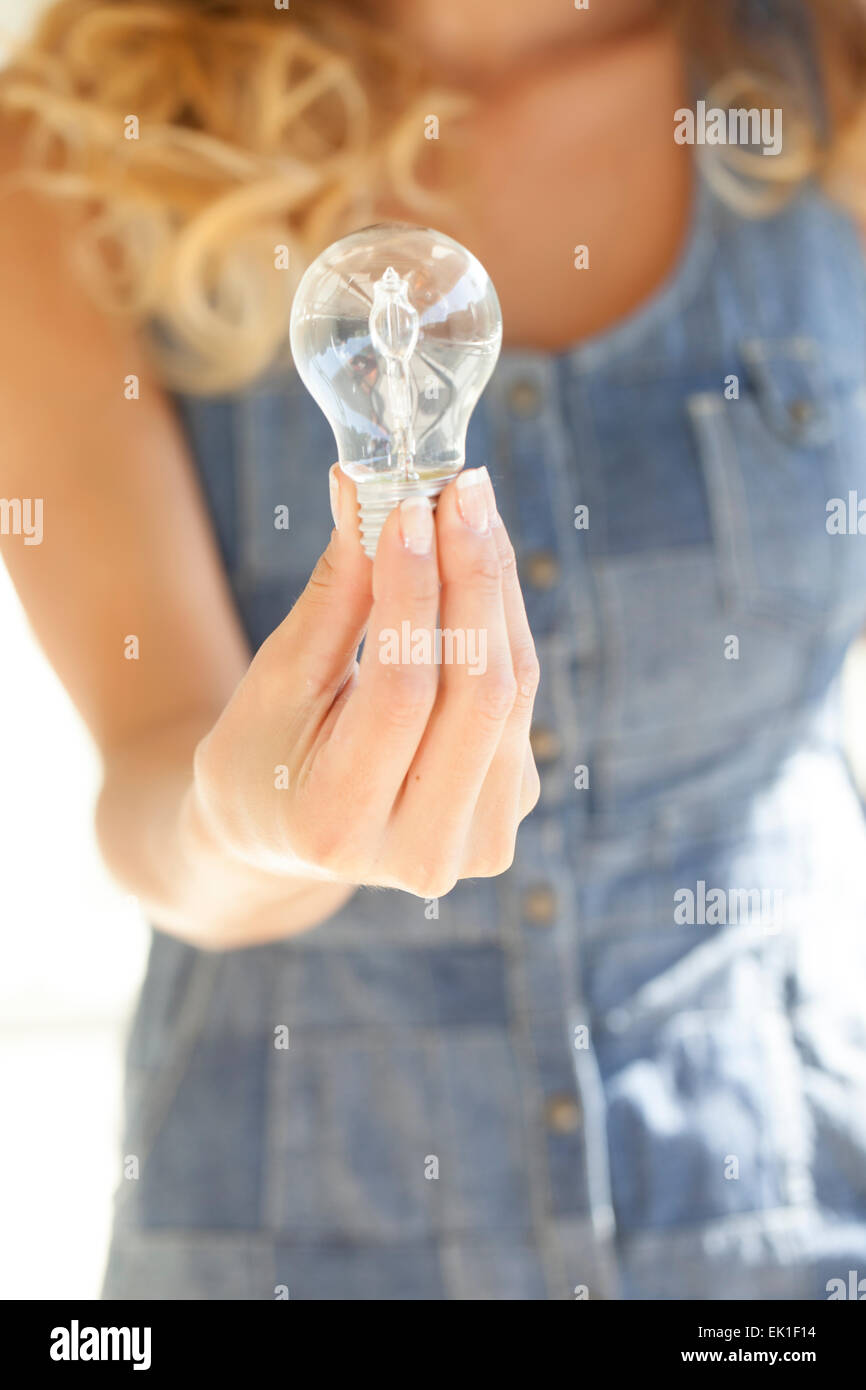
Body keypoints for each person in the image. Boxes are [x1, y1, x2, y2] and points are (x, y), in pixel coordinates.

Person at [0, 0, 865, 1301]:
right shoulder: (66, 160)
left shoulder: (827, 75)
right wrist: (253, 824)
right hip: (290, 1224)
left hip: (771, 1208)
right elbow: (147, 778)